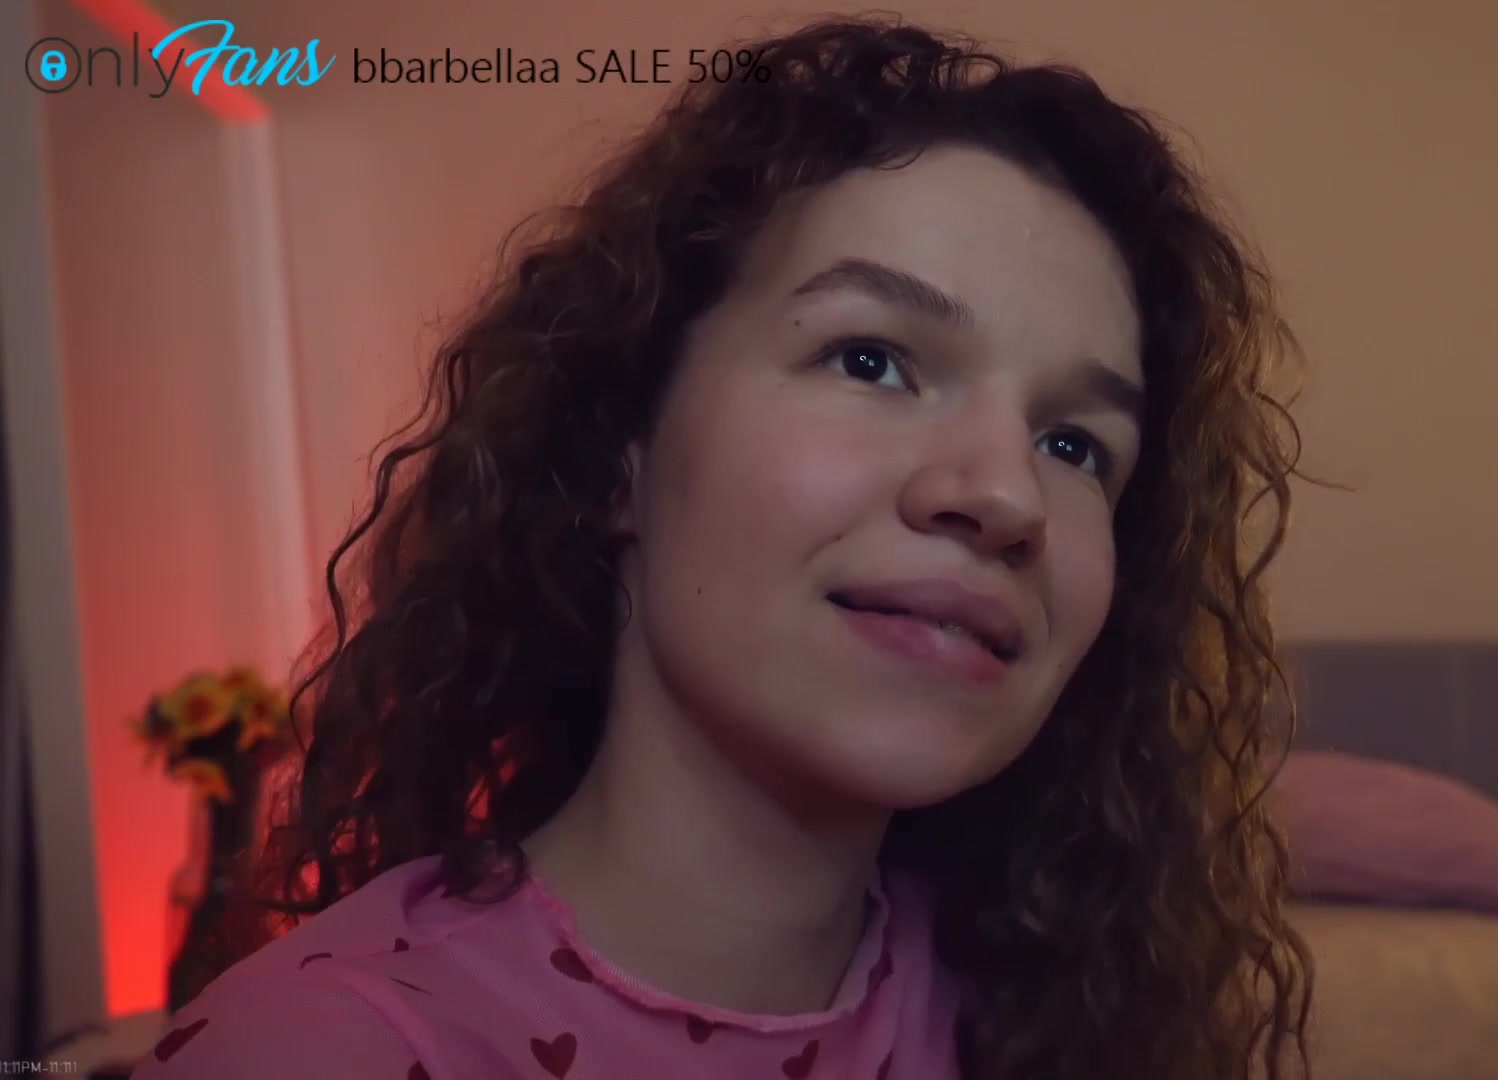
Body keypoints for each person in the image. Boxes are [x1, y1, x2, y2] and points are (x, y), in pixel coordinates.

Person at [132, 16, 1313, 1079]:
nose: (1007, 494)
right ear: (619, 452)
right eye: (871, 361)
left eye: (1074, 444)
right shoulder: (323, 1049)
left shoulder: (1060, 1017)